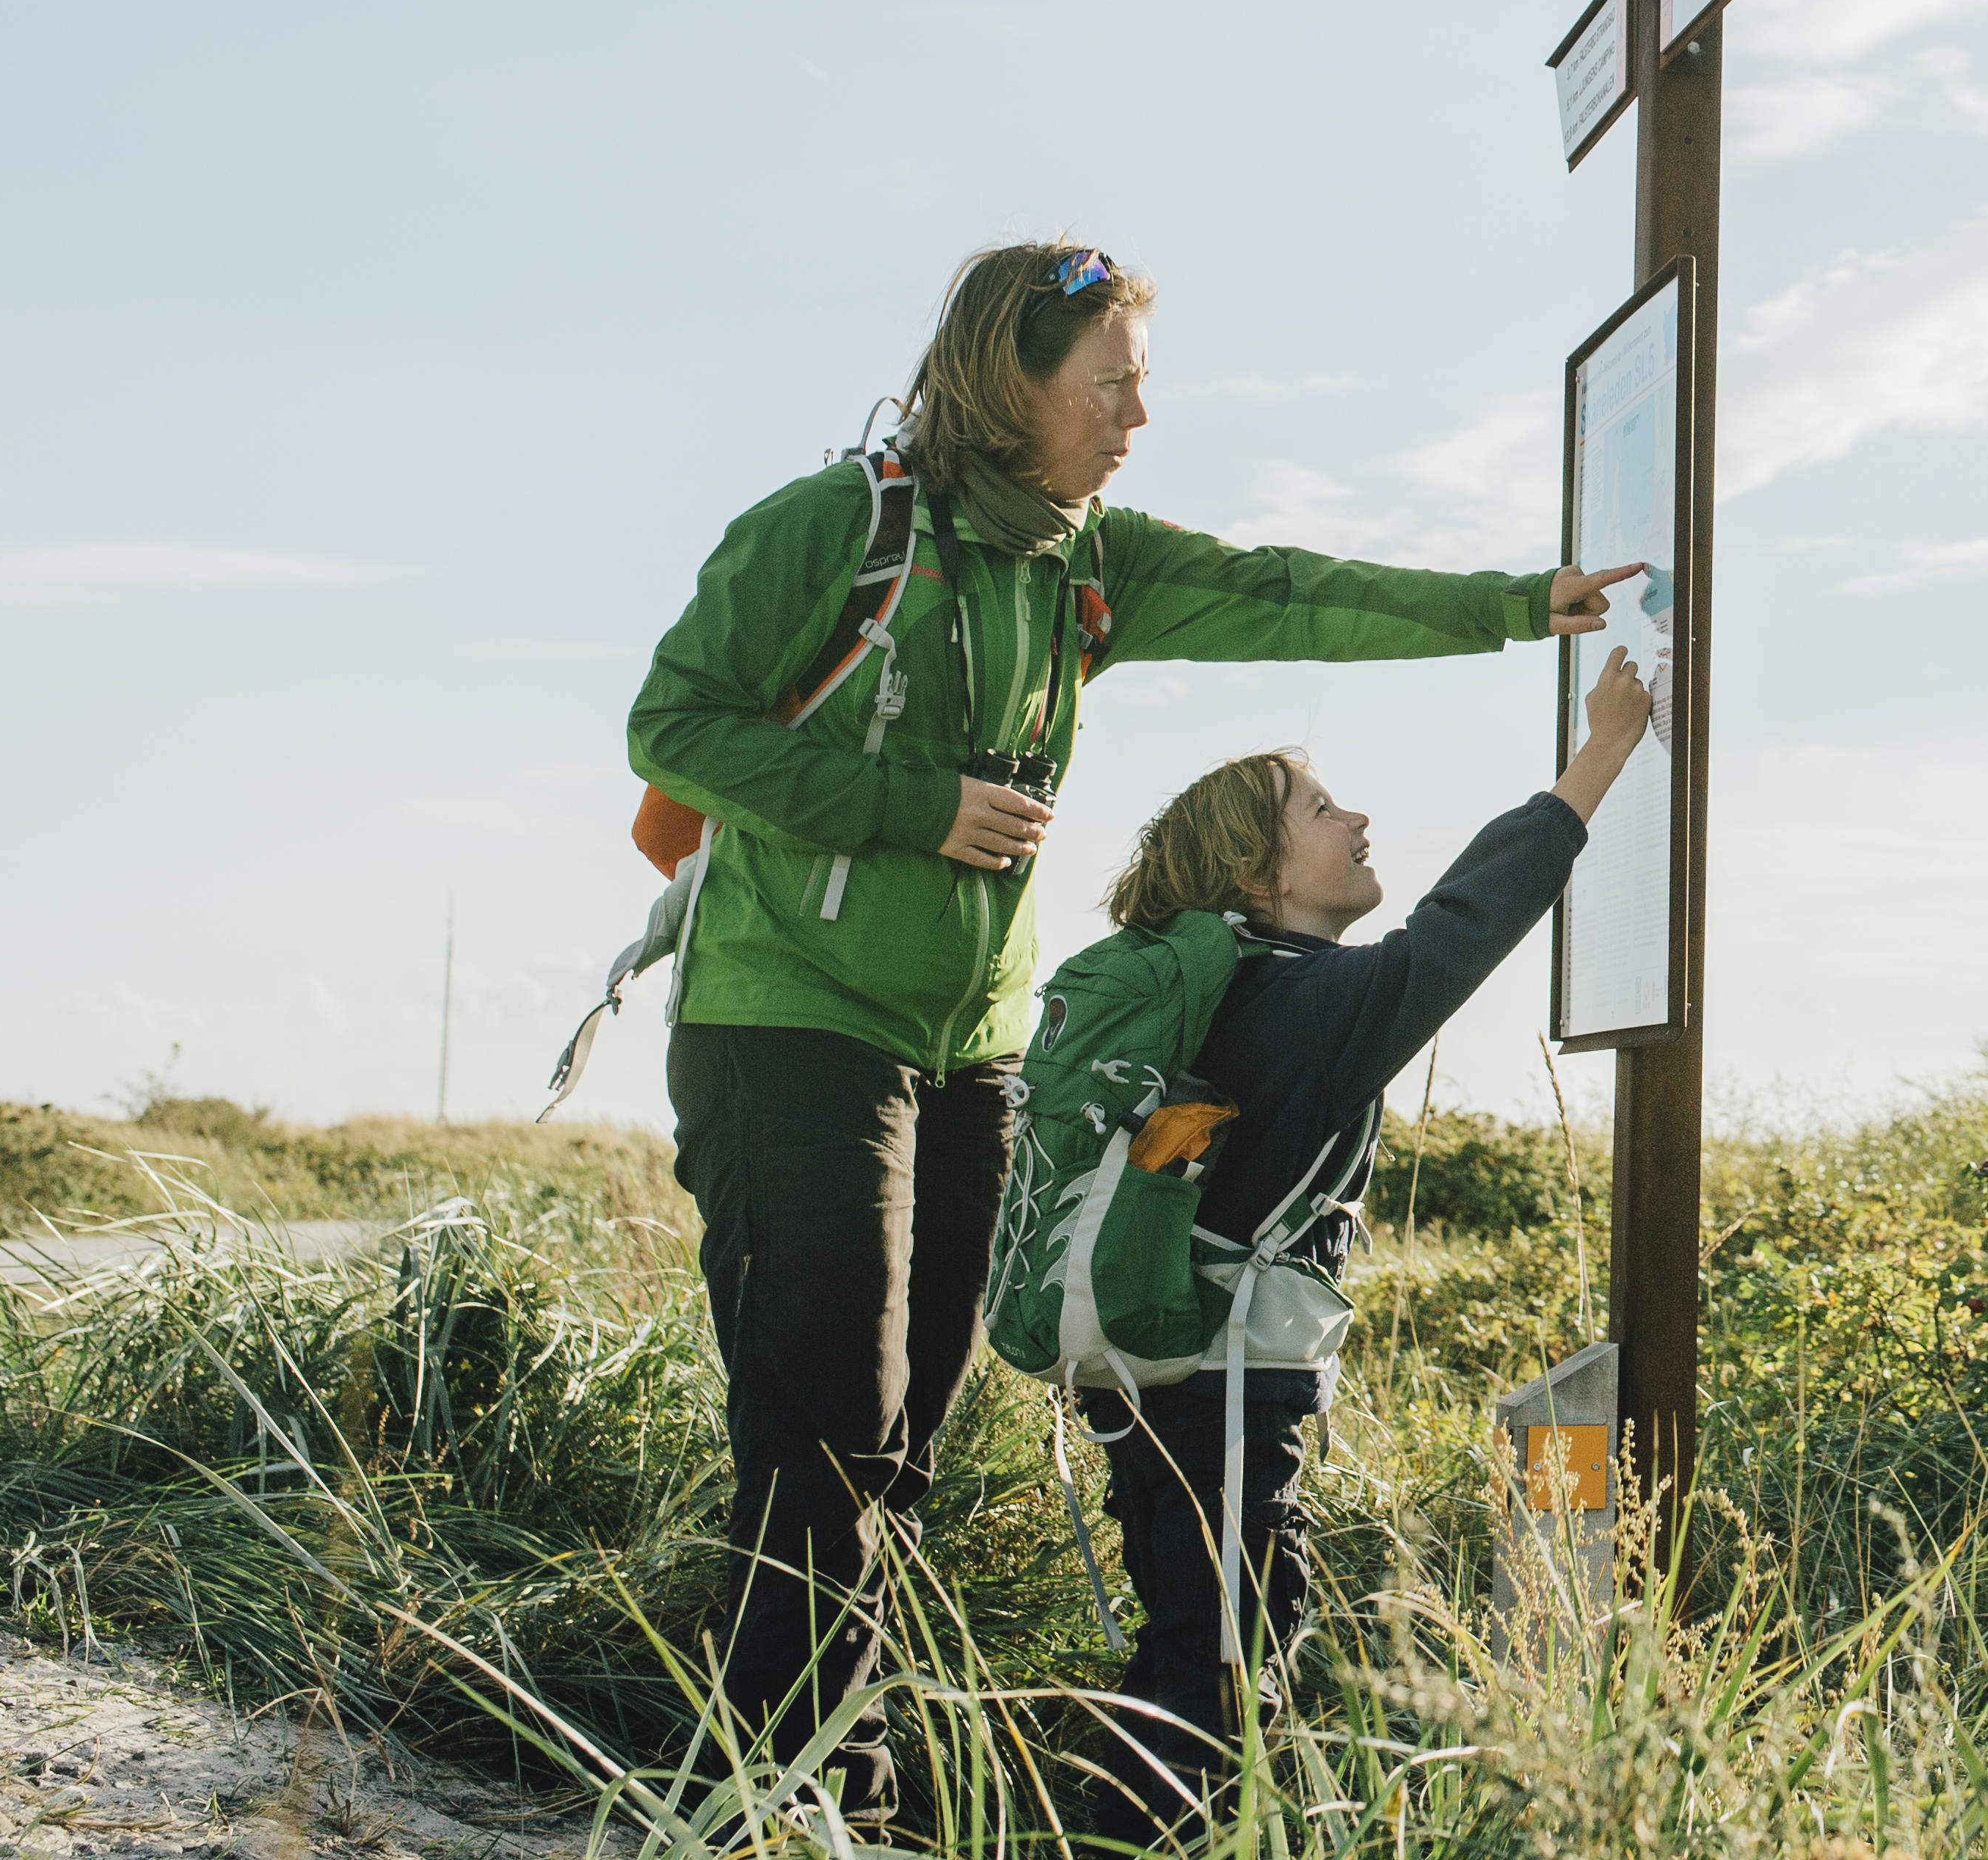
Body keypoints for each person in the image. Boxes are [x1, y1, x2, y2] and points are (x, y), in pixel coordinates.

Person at [625, 237, 1638, 1824]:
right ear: (1006, 380)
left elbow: (1288, 594)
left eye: (1140, 386)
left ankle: (829, 1770)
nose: (1136, 418)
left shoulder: (1086, 564)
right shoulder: (834, 528)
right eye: (1111, 385)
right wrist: (913, 804)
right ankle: (771, 1792)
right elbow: (672, 725)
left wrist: (1519, 605)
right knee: (829, 1419)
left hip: (966, 1051)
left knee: (903, 1436)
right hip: (790, 1023)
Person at [1071, 646, 1656, 1843]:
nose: (1358, 816)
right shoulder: (1295, 1002)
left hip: (1174, 1373)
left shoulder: (1242, 993)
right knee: (1214, 1664)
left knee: (1211, 1640)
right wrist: (1597, 758)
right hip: (1221, 1384)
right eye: (1321, 808)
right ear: (1253, 868)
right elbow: (1461, 927)